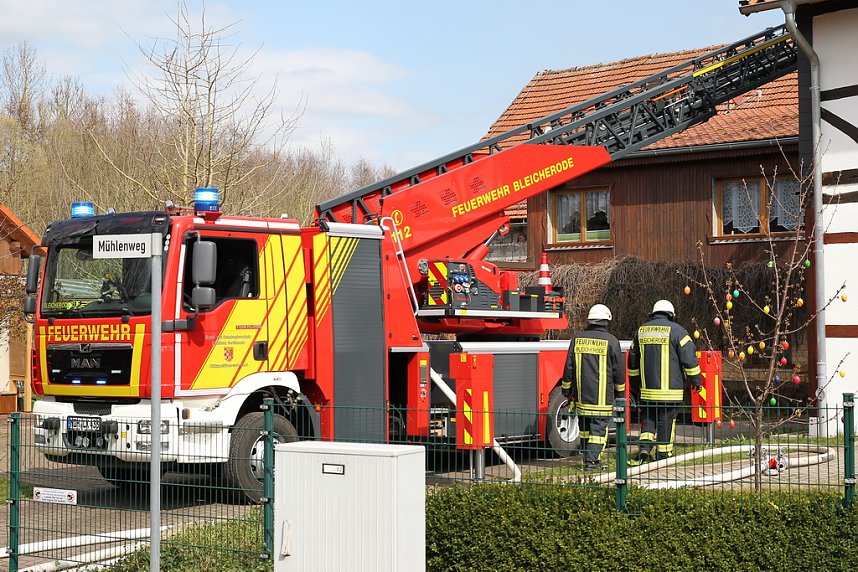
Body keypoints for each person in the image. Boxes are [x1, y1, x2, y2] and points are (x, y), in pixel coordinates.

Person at [627, 300, 702, 465]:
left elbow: (632, 362)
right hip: (670, 392)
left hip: (646, 391)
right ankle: (663, 455)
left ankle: (645, 448)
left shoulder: (641, 331)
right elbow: (689, 360)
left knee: (648, 420)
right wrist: (696, 381)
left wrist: (635, 384)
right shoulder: (678, 331)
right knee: (666, 421)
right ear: (671, 314)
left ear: (654, 314)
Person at [560, 303, 625, 471]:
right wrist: (620, 394)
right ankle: (591, 462)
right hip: (602, 398)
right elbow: (618, 371)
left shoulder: (577, 338)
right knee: (598, 431)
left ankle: (590, 459)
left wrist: (567, 391)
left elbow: (569, 367)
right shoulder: (611, 341)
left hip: (582, 397)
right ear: (606, 321)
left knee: (585, 430)